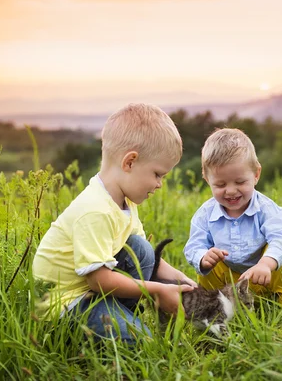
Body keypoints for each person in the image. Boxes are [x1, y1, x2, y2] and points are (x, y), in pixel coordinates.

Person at [33, 103, 196, 343]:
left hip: (90, 293)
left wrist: (181, 280)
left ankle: (117, 315)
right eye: (157, 174)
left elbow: (149, 260)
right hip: (64, 306)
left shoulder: (125, 202)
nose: (160, 184)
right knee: (143, 343)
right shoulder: (95, 210)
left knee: (141, 249)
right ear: (130, 162)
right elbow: (99, 280)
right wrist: (159, 290)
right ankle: (84, 333)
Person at [183, 128, 282, 304]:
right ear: (207, 179)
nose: (231, 191)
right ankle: (215, 306)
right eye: (220, 184)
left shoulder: (267, 209)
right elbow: (194, 245)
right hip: (231, 282)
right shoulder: (205, 214)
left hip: (266, 275)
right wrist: (203, 257)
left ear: (256, 175)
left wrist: (266, 264)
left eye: (240, 182)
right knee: (209, 265)